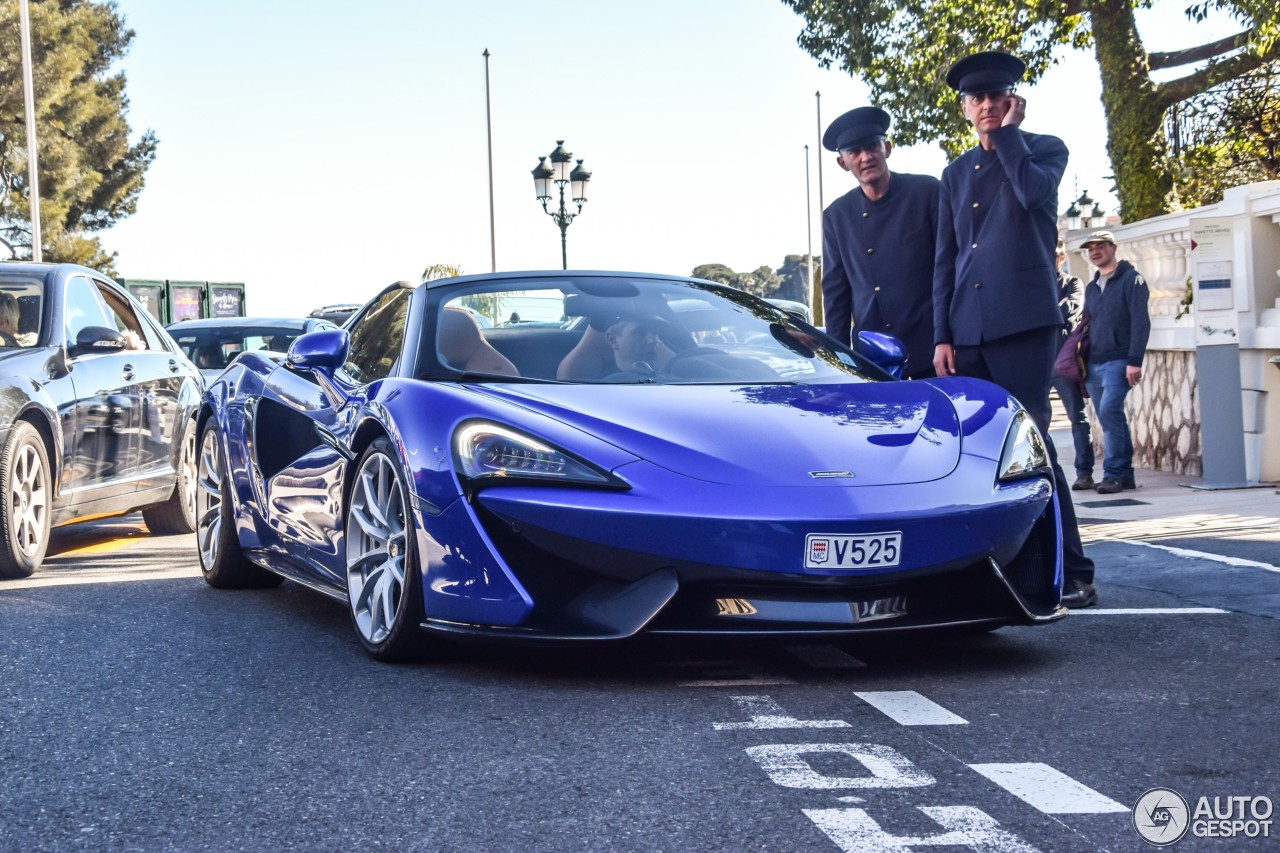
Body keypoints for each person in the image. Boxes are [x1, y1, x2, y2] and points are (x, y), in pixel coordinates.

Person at [931, 50, 1097, 608]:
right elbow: (946, 259)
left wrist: (1008, 136)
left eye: (995, 97)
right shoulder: (953, 174)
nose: (985, 106)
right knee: (969, 452)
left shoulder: (1043, 150)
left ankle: (1074, 571)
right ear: (963, 108)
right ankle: (973, 572)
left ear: (1013, 101)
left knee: (1035, 446)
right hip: (967, 330)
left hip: (1025, 323)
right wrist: (942, 335)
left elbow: (1032, 195)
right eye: (976, 99)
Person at [820, 107, 939, 379]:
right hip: (874, 359)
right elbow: (836, 296)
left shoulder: (927, 192)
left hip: (932, 350)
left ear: (887, 147)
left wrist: (949, 339)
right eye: (855, 152)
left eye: (872, 146)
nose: (866, 157)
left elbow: (949, 269)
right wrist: (838, 365)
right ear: (843, 163)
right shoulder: (837, 216)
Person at [1078, 230, 1150, 495]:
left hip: (1120, 361)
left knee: (1109, 412)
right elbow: (1087, 324)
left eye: (1100, 246)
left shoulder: (1133, 280)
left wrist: (1134, 361)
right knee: (1111, 418)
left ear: (1113, 247)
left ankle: (1113, 474)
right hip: (1094, 363)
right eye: (1090, 249)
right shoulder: (1092, 286)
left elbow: (1141, 322)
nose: (1095, 252)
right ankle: (1126, 475)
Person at [1048, 242, 1095, 490]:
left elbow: (1072, 308)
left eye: (1055, 254)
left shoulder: (1072, 282)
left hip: (1063, 361)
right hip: (1038, 363)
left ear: (1062, 256)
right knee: (1032, 419)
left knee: (1077, 417)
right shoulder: (1034, 285)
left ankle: (1084, 472)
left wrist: (1049, 311)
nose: (1051, 258)